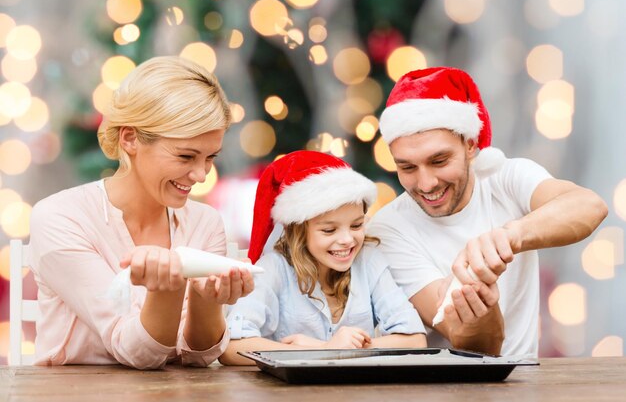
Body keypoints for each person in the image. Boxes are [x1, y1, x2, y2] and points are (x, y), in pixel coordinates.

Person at [29, 56, 254, 369]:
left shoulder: (206, 222)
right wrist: (169, 288)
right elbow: (136, 352)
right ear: (130, 138)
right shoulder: (61, 217)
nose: (201, 175)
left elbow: (199, 356)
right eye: (186, 156)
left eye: (210, 157)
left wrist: (208, 300)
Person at [367, 67, 608, 357]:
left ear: (470, 145)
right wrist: (482, 305)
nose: (426, 183)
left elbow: (589, 206)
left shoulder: (506, 178)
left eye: (439, 160)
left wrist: (509, 237)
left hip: (525, 383)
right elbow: (472, 346)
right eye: (407, 167)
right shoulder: (387, 230)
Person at [219, 151, 426, 365]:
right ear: (298, 230)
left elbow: (416, 340)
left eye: (356, 225)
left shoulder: (368, 259)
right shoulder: (274, 268)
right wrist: (327, 349)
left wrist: (333, 350)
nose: (347, 239)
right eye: (329, 230)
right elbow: (233, 348)